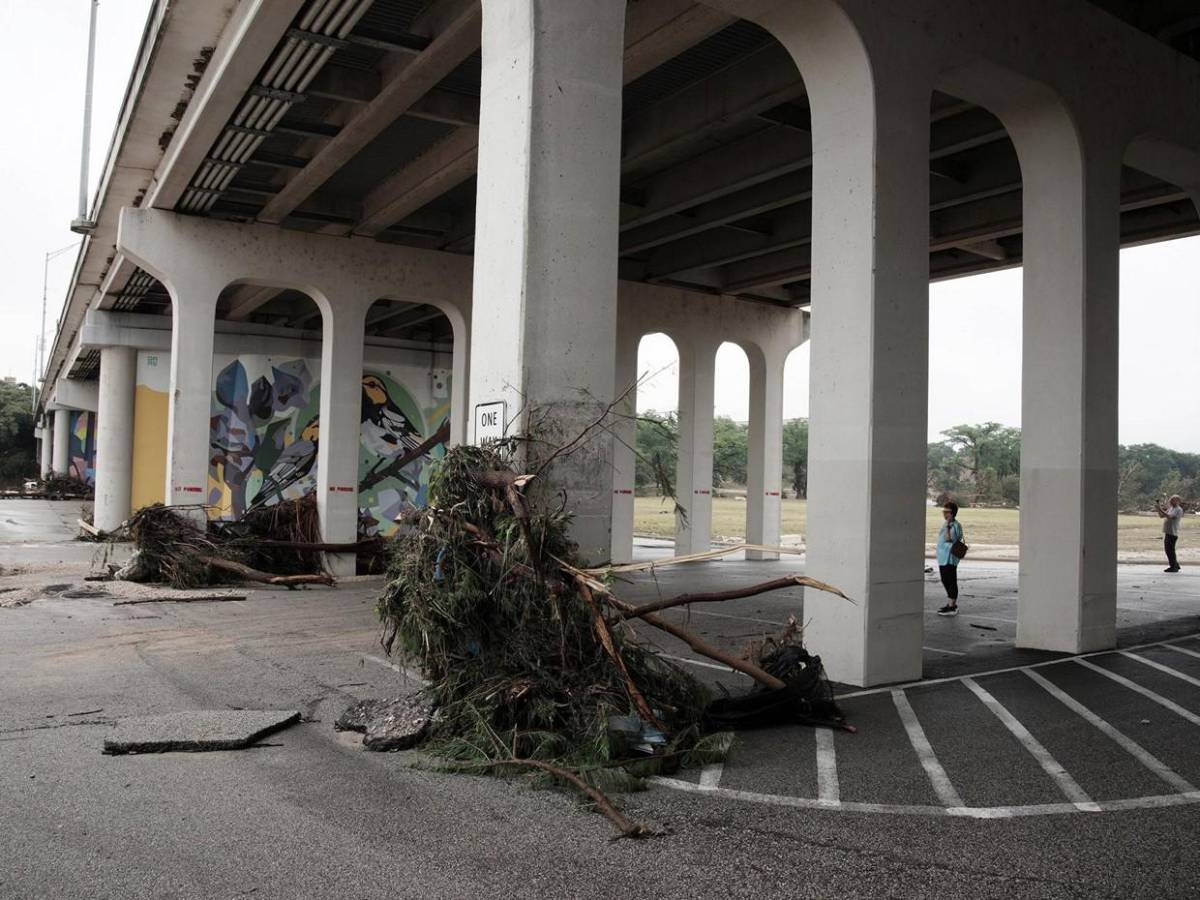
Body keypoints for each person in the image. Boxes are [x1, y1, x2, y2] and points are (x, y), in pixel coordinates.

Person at [935, 501, 964, 615]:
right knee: (944, 579)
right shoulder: (946, 524)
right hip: (943, 557)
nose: (944, 514)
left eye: (947, 512)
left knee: (951, 580)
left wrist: (948, 526)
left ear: (952, 513)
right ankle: (951, 603)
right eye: (944, 511)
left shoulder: (955, 525)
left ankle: (952, 606)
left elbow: (949, 539)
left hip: (950, 557)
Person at [1155, 494, 1185, 573]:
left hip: (1173, 532)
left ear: (1178, 501)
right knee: (1169, 550)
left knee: (1170, 550)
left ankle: (1173, 567)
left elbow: (1170, 517)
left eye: (1172, 500)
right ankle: (1175, 565)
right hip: (1168, 532)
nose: (1170, 501)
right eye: (1170, 499)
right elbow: (1162, 516)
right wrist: (1158, 509)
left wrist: (1160, 509)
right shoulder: (1171, 508)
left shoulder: (1179, 510)